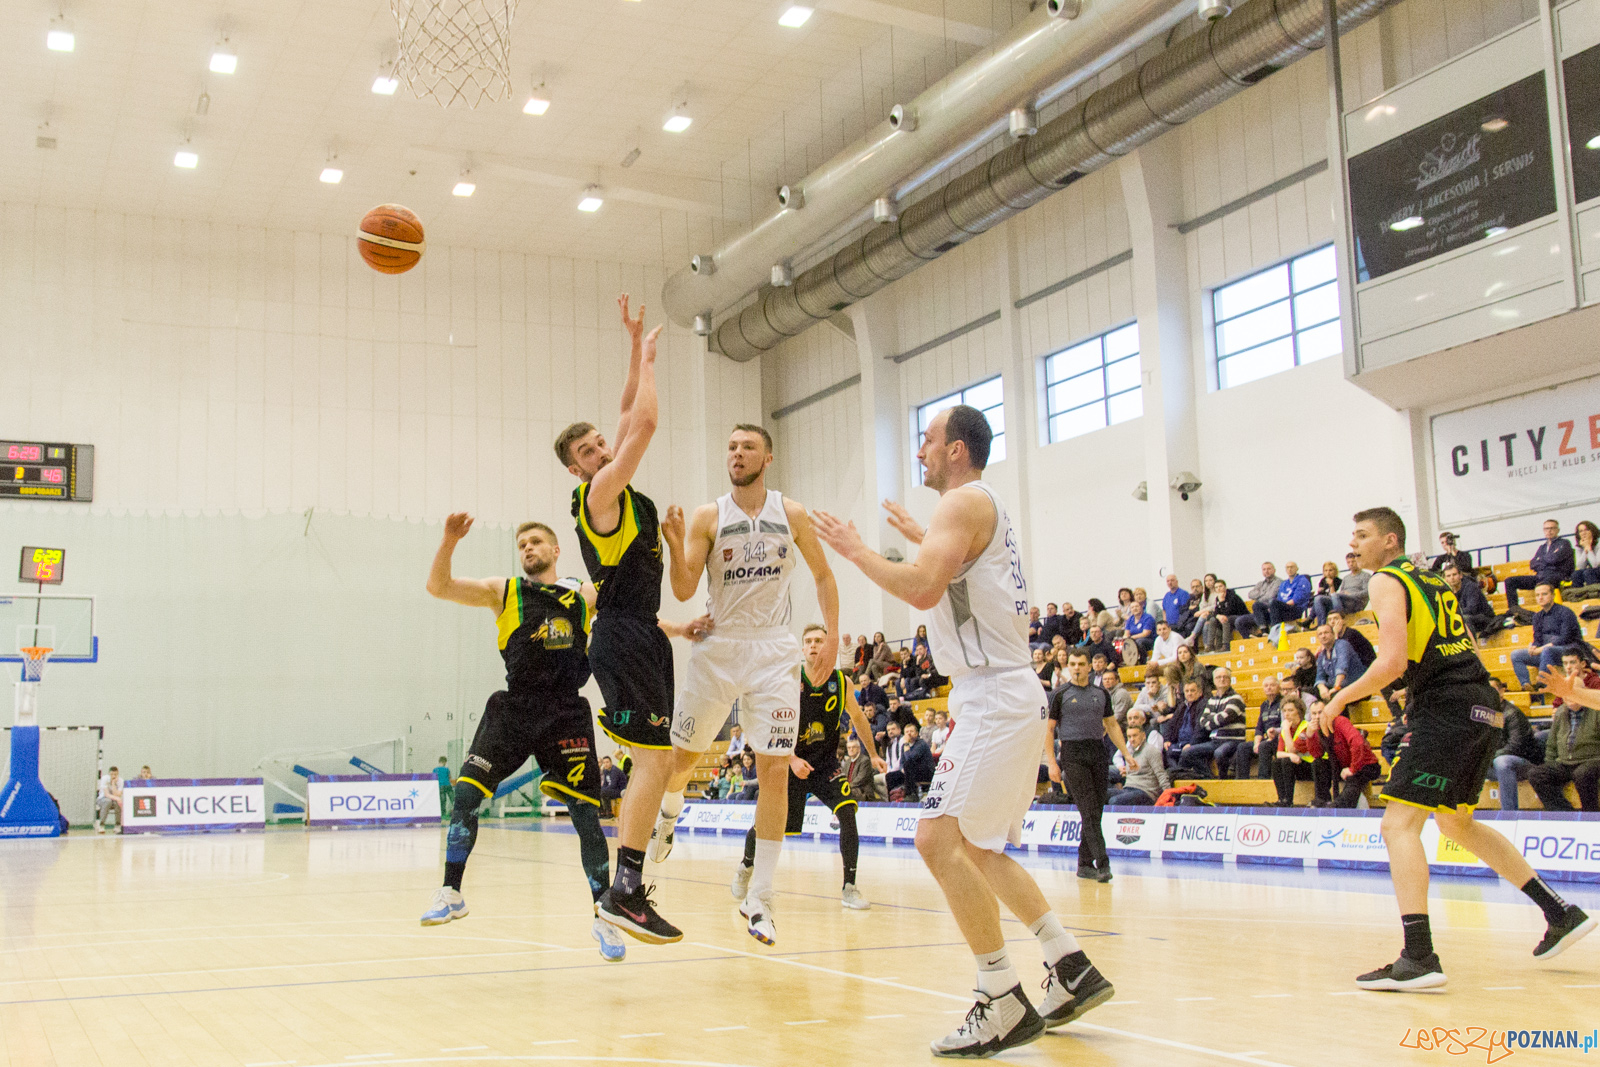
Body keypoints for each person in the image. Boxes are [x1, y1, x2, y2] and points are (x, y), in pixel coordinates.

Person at [813, 404, 1116, 1055]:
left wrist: (856, 549)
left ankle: (1000, 994)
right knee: (979, 848)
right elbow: (954, 582)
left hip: (993, 696)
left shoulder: (965, 502)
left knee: (935, 838)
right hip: (1005, 692)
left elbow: (924, 588)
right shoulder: (970, 509)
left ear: (955, 449)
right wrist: (924, 532)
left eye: (927, 440)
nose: (919, 451)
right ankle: (1069, 965)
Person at [1322, 506, 1593, 990]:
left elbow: (1392, 660)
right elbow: (1459, 643)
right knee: (1455, 821)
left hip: (1449, 709)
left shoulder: (1386, 579)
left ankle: (1419, 956)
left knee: (1397, 823)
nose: (1353, 544)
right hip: (1483, 704)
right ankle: (1560, 912)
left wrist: (1341, 696)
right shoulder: (1433, 581)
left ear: (1389, 541)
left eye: (1361, 535)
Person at [655, 424, 839, 946]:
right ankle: (669, 817)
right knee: (682, 760)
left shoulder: (792, 513)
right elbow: (687, 586)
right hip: (721, 647)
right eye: (731, 447)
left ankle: (760, 898)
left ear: (768, 457)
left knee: (774, 771)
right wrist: (674, 547)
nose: (737, 454)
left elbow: (824, 576)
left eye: (747, 447)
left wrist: (833, 636)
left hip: (776, 649)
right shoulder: (710, 515)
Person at [558, 296, 705, 946]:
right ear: (577, 468)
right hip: (620, 634)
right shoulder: (601, 494)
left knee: (661, 757)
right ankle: (625, 888)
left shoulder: (617, 488)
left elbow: (623, 417)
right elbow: (641, 423)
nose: (600, 449)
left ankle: (629, 882)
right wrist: (648, 360)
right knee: (652, 761)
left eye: (599, 443)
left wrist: (630, 345)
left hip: (643, 633)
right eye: (589, 450)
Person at [421, 513, 628, 960]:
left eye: (535, 542)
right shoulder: (505, 590)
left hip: (567, 712)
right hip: (514, 707)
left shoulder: (582, 596)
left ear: (556, 551)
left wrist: (678, 628)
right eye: (521, 544)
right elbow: (439, 587)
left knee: (585, 817)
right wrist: (448, 541)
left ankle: (604, 916)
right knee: (466, 795)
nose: (527, 549)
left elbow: (632, 601)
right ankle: (450, 892)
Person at [732, 624, 885, 910]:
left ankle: (849, 887)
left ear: (828, 647)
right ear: (802, 649)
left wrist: (873, 753)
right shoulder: (789, 679)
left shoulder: (842, 683)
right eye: (809, 641)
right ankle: (746, 864)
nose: (814, 645)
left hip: (825, 764)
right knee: (771, 823)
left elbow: (859, 718)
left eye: (819, 641)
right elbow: (769, 722)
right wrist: (790, 758)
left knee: (848, 810)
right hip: (789, 763)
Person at [1047, 650, 1137, 882]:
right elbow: (1048, 730)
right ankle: (1103, 862)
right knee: (1087, 807)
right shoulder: (1059, 694)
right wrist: (1051, 763)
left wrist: (1126, 753)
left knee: (1096, 809)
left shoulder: (1100, 693)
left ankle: (1084, 863)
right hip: (1072, 753)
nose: (1076, 668)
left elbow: (1112, 724)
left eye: (1081, 664)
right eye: (1073, 664)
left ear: (1090, 667)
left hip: (1098, 751)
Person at [1532, 666, 1600, 811]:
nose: (1570, 697)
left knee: (1582, 774)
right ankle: (1562, 814)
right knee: (1537, 774)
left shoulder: (1596, 710)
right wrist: (1550, 764)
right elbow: (1551, 743)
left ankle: (1591, 815)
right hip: (1565, 762)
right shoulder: (1560, 711)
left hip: (1591, 760)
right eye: (1567, 693)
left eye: (1574, 692)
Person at [1304, 698, 1380, 808]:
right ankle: (1322, 801)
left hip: (1365, 765)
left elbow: (1358, 743)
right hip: (1341, 766)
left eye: (1320, 712)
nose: (1317, 717)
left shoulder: (1340, 721)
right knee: (1318, 764)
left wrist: (1352, 769)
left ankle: (1339, 807)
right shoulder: (1318, 728)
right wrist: (1310, 736)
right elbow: (1317, 754)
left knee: (1353, 778)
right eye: (1314, 714)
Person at [1511, 583, 1585, 694]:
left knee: (1547, 650)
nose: (1540, 597)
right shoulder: (1537, 616)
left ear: (1552, 595)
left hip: (1568, 650)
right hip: (1546, 653)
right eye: (1537, 595)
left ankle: (1541, 683)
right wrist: (1534, 646)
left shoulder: (1565, 612)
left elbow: (1565, 637)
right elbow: (1538, 638)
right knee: (1516, 654)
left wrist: (1543, 648)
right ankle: (1526, 685)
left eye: (1544, 594)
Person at [1488, 677, 1542, 812]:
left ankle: (1509, 814)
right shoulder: (1483, 716)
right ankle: (1459, 814)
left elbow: (1516, 746)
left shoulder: (1512, 714)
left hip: (1523, 764)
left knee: (1502, 761)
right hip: (1494, 764)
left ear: (1502, 691)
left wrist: (1488, 757)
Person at [1507, 519, 1575, 612]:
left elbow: (1554, 559)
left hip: (1557, 576)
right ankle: (1513, 609)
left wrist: (1542, 560)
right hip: (1540, 577)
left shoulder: (1564, 543)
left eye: (1552, 528)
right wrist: (1546, 561)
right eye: (1546, 529)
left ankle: (1549, 609)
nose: (1549, 531)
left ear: (1558, 530)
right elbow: (1533, 564)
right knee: (1510, 581)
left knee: (1547, 579)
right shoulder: (1542, 547)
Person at [1108, 721, 1170, 806]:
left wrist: (1169, 795)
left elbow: (1161, 774)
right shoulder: (1129, 752)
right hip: (1128, 789)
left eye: (1135, 735)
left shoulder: (1151, 751)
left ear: (1143, 735)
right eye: (1129, 737)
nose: (1132, 739)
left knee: (1114, 801)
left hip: (1146, 792)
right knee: (1101, 795)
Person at [1270, 698, 1314, 806]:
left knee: (1286, 762)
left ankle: (1288, 801)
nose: (1286, 714)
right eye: (1284, 711)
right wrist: (1290, 755)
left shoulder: (1306, 727)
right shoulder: (1286, 729)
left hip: (1311, 767)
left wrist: (1285, 730)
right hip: (1295, 765)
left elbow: (1292, 749)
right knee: (1276, 762)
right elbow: (1279, 754)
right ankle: (1281, 799)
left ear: (1299, 711)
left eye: (1290, 710)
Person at [1240, 676, 1284, 779]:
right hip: (1266, 738)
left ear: (1278, 687)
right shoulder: (1264, 705)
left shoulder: (1282, 703)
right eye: (1266, 686)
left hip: (1279, 738)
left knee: (1264, 746)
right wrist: (1256, 743)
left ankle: (1263, 779)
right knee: (1243, 747)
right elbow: (1259, 727)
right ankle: (1242, 781)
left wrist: (1270, 737)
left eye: (1272, 685)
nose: (1269, 688)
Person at [1441, 562, 1494, 639]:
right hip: (1467, 619)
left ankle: (1471, 648)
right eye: (1448, 576)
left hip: (1484, 619)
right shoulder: (1446, 593)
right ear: (1445, 579)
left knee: (1465, 619)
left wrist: (1453, 615)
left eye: (1454, 575)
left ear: (1460, 575)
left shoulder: (1471, 587)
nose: (1452, 578)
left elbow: (1472, 609)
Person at [1314, 624, 1358, 705]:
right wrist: (1322, 688)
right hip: (1335, 686)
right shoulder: (1321, 655)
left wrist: (1336, 687)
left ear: (1333, 634)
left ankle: (1341, 718)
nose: (1323, 636)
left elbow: (1342, 667)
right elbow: (1319, 676)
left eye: (1326, 632)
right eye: (1320, 634)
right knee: (1315, 692)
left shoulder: (1342, 645)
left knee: (1336, 695)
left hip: (1353, 686)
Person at [1198, 579, 1247, 652]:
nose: (1218, 589)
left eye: (1220, 586)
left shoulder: (1232, 596)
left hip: (1239, 617)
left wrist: (1222, 602)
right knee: (1212, 620)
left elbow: (1229, 612)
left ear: (1225, 587)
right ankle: (1210, 645)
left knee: (1225, 619)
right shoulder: (1218, 598)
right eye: (1216, 587)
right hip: (1227, 618)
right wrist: (1218, 616)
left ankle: (1226, 645)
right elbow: (1216, 612)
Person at [1238, 562, 1281, 638]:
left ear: (1274, 570)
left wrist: (1258, 595)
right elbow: (1250, 594)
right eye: (1264, 569)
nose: (1266, 571)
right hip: (1259, 613)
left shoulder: (1278, 582)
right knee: (1239, 621)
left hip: (1270, 611)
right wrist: (1263, 594)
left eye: (1268, 569)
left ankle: (1265, 632)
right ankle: (1250, 641)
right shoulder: (1260, 584)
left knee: (1257, 604)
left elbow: (1271, 596)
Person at [901, 722, 937, 798]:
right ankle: (891, 798)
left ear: (917, 733)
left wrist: (906, 744)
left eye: (911, 731)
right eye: (907, 732)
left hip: (926, 772)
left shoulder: (921, 744)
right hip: (913, 770)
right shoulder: (903, 746)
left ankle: (912, 794)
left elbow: (910, 759)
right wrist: (902, 769)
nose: (909, 734)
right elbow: (902, 761)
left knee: (908, 765)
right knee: (891, 776)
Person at [844, 735, 882, 801]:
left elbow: (860, 779)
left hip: (863, 791)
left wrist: (847, 787)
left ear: (859, 749)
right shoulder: (847, 762)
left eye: (853, 747)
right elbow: (844, 777)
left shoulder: (865, 760)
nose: (851, 749)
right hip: (850, 788)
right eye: (849, 748)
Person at [95, 766, 122, 833]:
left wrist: (113, 783)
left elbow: (118, 794)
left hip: (114, 800)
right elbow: (106, 794)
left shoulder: (120, 781)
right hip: (102, 799)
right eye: (111, 774)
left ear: (117, 774)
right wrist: (117, 798)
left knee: (117, 803)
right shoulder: (104, 779)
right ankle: (101, 824)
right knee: (108, 801)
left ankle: (117, 825)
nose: (113, 776)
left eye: (115, 774)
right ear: (109, 774)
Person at [1573, 521, 1600, 587]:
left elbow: (1595, 565)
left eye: (1586, 530)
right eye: (1581, 531)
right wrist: (1585, 549)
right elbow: (1580, 566)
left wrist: (1589, 548)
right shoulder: (1579, 547)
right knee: (1576, 574)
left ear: (1592, 531)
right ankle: (1579, 596)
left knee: (1589, 572)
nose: (1583, 533)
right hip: (1590, 570)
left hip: (1597, 568)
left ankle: (1595, 594)